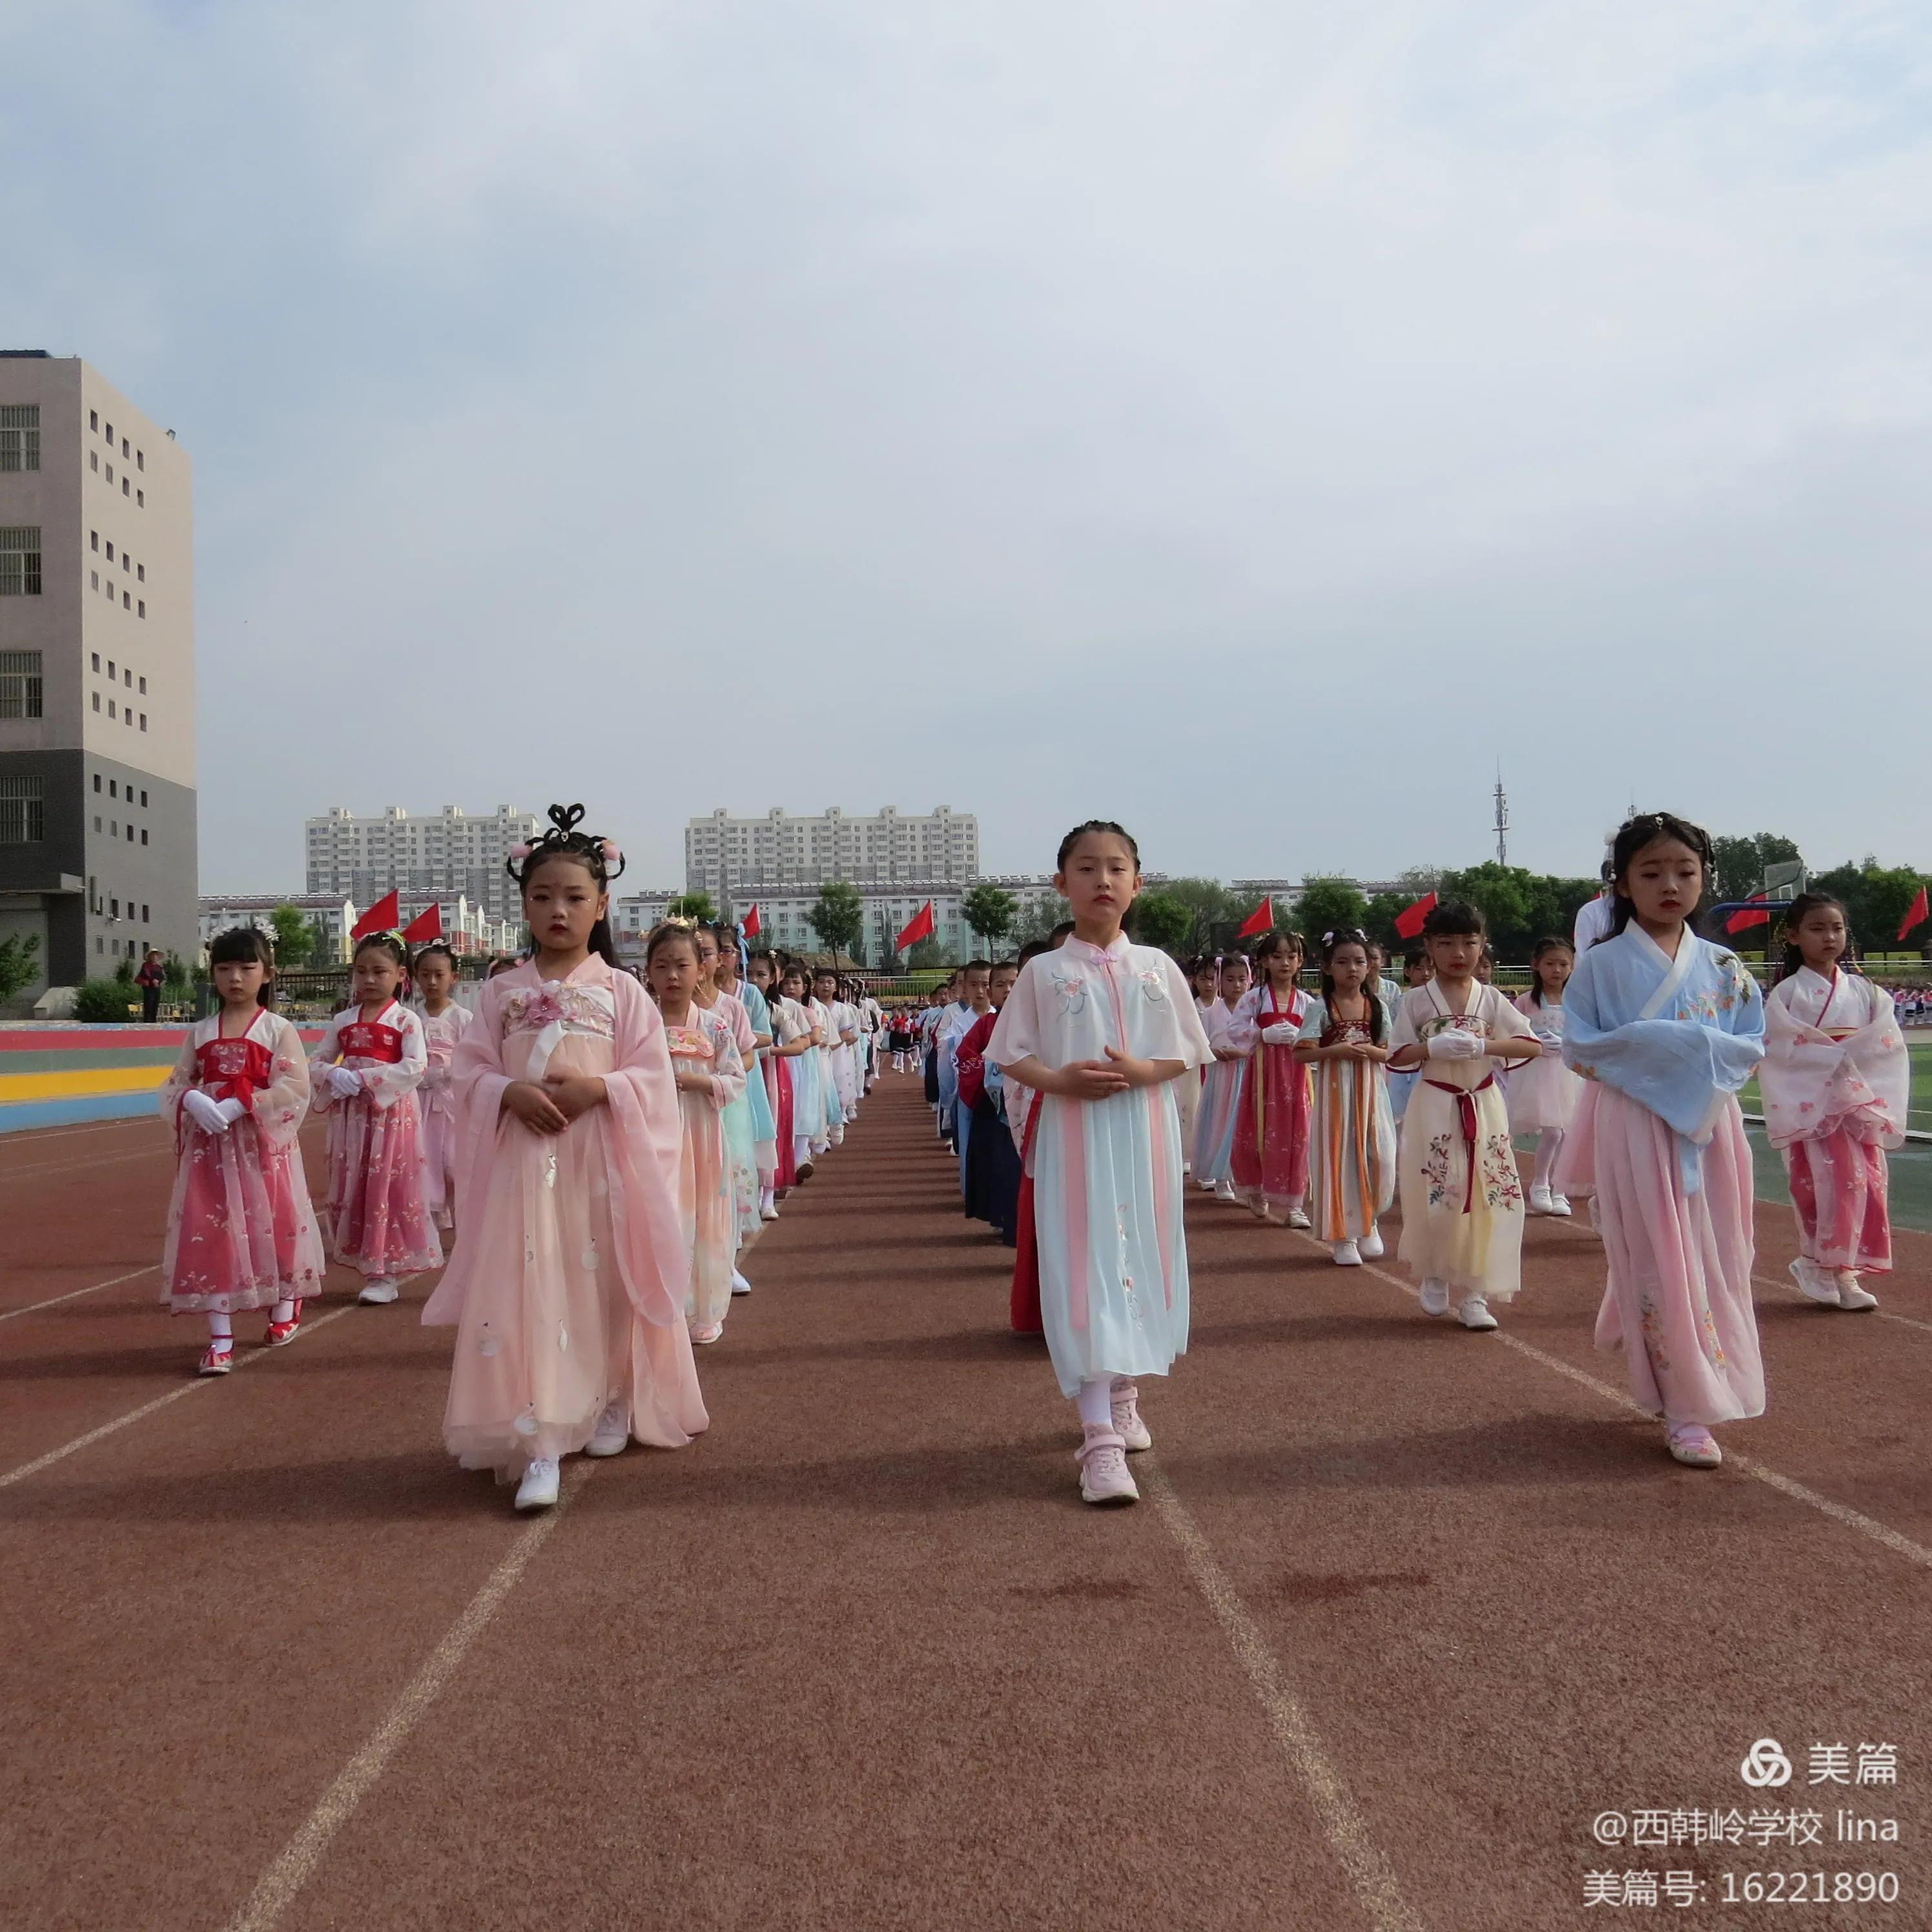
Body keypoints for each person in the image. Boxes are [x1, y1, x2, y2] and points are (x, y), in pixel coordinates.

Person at [422, 807, 706, 1509]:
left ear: (601, 905)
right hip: (527, 1164)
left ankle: (611, 1397)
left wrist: (597, 1089)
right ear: (522, 902)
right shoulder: (500, 992)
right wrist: (506, 1089)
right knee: (532, 1285)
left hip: (601, 1157)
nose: (559, 909)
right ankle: (540, 1436)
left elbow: (653, 1079)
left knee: (605, 1278)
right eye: (543, 895)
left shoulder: (623, 992)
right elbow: (465, 1071)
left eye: (576, 897)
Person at [986, 821, 1213, 1508]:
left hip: (1143, 1133)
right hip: (1075, 1134)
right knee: (1082, 1267)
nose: (1103, 880)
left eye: (1117, 868)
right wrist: (1059, 1082)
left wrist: (1146, 1069)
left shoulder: (1158, 967)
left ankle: (1122, 1392)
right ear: (1061, 884)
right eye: (1087, 868)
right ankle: (1099, 1444)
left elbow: (1187, 1050)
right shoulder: (1044, 971)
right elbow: (1010, 1053)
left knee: (1136, 1258)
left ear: (1138, 883)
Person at [1555, 812, 1766, 1468]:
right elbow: (1580, 1047)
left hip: (1710, 1127)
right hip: (1636, 1125)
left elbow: (1750, 1043)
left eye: (1684, 871)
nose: (1668, 884)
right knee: (1656, 1255)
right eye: (1650, 872)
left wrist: (1687, 1056)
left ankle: (1707, 1376)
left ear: (1705, 879)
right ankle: (1684, 1406)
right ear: (1621, 884)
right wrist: (1668, 1050)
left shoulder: (1726, 966)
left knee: (1719, 1253)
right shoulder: (1600, 966)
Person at [159, 927, 325, 1373]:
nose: (235, 978)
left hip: (262, 1149)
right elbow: (177, 1082)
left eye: (247, 968)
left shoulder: (278, 1029)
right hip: (210, 1154)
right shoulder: (200, 1031)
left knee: (278, 1222)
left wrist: (242, 1104)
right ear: (212, 973)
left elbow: (294, 1087)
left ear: (267, 974)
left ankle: (286, 1302)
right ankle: (219, 1338)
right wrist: (191, 1098)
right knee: (211, 1231)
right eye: (225, 968)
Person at [1386, 900, 1540, 1331]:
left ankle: (1475, 1293)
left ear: (1482, 945)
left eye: (1469, 943)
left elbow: (1530, 1045)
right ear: (1428, 948)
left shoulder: (1491, 999)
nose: (1459, 953)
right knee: (1439, 1190)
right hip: (1435, 1102)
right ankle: (1435, 1272)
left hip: (1483, 1103)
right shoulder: (1416, 1001)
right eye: (1447, 943)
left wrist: (1485, 1046)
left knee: (1489, 1196)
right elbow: (1396, 1054)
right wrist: (1431, 1049)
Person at [1761, 892, 1906, 1313]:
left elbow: (1886, 1043)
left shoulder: (1865, 992)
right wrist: (1833, 1060)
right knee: (1828, 1185)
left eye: (1837, 928)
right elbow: (1781, 1049)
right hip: (1817, 1102)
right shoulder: (1787, 995)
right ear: (1794, 935)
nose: (1829, 937)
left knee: (1869, 1185)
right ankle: (1825, 1267)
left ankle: (1841, 1270)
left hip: (1858, 1101)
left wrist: (1851, 1065)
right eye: (1817, 928)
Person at [309, 931, 441, 1306]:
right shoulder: (342, 1020)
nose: (369, 979)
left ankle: (386, 1270)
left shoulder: (406, 1020)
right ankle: (367, 1261)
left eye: (379, 971)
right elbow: (317, 1061)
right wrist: (334, 1075)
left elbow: (416, 1066)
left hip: (391, 1116)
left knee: (388, 1185)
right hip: (352, 1118)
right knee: (355, 1182)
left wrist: (366, 1079)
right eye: (361, 970)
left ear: (401, 975)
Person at [648, 925, 746, 1346]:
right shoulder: (641, 1025)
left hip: (701, 1135)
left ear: (700, 970)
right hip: (654, 1136)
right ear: (648, 972)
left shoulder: (714, 1026)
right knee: (660, 1216)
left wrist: (699, 1083)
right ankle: (662, 1307)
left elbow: (735, 1078)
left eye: (682, 965)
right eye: (662, 966)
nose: (673, 975)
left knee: (704, 1215)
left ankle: (703, 1308)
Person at [1294, 929, 1395, 1266]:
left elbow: (1391, 1052)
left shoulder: (1378, 1006)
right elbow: (1300, 1054)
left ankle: (1371, 1220)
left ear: (1370, 967)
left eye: (1359, 961)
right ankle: (1344, 1234)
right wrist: (1334, 1050)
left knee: (1379, 1154)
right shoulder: (1320, 1007)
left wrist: (1367, 1050)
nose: (1352, 968)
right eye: (1342, 962)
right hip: (1335, 1092)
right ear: (1326, 968)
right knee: (1339, 1158)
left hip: (1372, 1091)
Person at [1226, 929, 1315, 1226]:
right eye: (1277, 957)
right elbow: (1235, 1029)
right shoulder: (1255, 998)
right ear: (1264, 961)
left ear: (1301, 961)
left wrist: (1302, 1039)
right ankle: (1257, 1189)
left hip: (1297, 1073)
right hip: (1263, 1075)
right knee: (1258, 1130)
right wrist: (1263, 1034)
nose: (1285, 964)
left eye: (1292, 957)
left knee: (1298, 1134)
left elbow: (1320, 1035)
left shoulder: (1307, 1001)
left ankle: (1294, 1204)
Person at [695, 926, 764, 1286]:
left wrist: (723, 1072)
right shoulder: (660, 1007)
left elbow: (747, 1055)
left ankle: (728, 1258)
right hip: (680, 1106)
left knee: (728, 1177)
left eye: (705, 952)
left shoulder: (731, 1007)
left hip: (724, 1101)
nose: (699, 960)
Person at [1510, 937, 1583, 1218]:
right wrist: (1536, 1045)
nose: (1557, 970)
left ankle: (1560, 1188)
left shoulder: (1576, 1001)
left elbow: (1583, 1033)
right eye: (1550, 963)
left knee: (1567, 1131)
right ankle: (1540, 1182)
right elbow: (1514, 1033)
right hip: (1538, 1072)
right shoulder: (1527, 1001)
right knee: (1553, 1130)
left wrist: (1567, 1044)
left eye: (1564, 964)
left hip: (1569, 1072)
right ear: (1536, 965)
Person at [715, 934, 781, 1224]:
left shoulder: (749, 994)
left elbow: (765, 1035)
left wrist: (729, 1041)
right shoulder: (692, 993)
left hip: (744, 1074)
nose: (718, 958)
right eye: (709, 951)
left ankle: (758, 1199)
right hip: (707, 1077)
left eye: (726, 951)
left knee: (750, 1136)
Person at [956, 959, 1023, 1238]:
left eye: (1014, 983)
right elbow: (965, 1057)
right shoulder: (985, 1025)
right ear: (992, 993)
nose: (1008, 990)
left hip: (1031, 1106)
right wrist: (991, 1068)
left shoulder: (1041, 1022)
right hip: (995, 1110)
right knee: (1001, 1166)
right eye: (1000, 985)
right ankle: (1005, 1219)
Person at [412, 940, 474, 1236]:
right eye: (425, 975)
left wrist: (448, 1073)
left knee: (454, 1161)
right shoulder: (410, 1018)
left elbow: (475, 1059)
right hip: (419, 1101)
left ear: (454, 977)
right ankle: (430, 1222)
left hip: (453, 1102)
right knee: (424, 1159)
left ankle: (465, 1218)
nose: (432, 981)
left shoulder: (464, 1019)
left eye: (439, 974)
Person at [1194, 951, 1251, 1200]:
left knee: (1244, 1124)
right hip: (1220, 1076)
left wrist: (1245, 1053)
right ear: (1219, 980)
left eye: (1241, 979)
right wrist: (1215, 1052)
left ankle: (1244, 1177)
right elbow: (1200, 1045)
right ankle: (1221, 1177)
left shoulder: (1253, 1009)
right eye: (1229, 979)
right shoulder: (1210, 1014)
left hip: (1247, 1073)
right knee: (1220, 1121)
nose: (1236, 985)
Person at [136, 946, 166, 1023]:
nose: (154, 957)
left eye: (156, 955)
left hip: (156, 988)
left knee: (155, 1005)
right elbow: (145, 973)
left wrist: (158, 981)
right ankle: (147, 1021)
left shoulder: (159, 967)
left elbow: (162, 976)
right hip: (148, 988)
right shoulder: (146, 965)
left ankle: (154, 1021)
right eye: (153, 955)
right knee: (149, 1005)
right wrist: (152, 980)